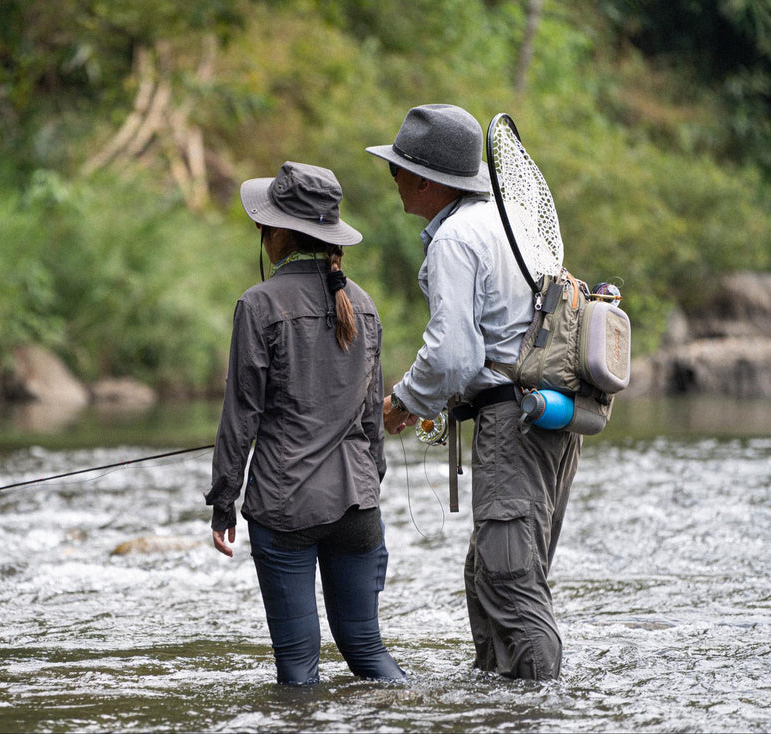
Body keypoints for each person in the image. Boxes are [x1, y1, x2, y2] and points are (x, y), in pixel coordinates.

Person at [366, 104, 581, 680]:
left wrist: (404, 403)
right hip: (545, 422)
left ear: (427, 180)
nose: (393, 179)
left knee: (509, 586)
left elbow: (453, 356)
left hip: (514, 427)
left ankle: (539, 711)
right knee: (492, 579)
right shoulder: (505, 220)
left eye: (397, 169)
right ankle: (500, 709)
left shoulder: (455, 239)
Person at [205, 161, 406, 686]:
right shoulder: (363, 305)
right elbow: (370, 422)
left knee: (298, 669)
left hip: (285, 508)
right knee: (367, 650)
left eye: (264, 224)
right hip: (358, 506)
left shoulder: (258, 304)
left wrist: (224, 500)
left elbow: (240, 416)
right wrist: (369, 486)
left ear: (279, 234)